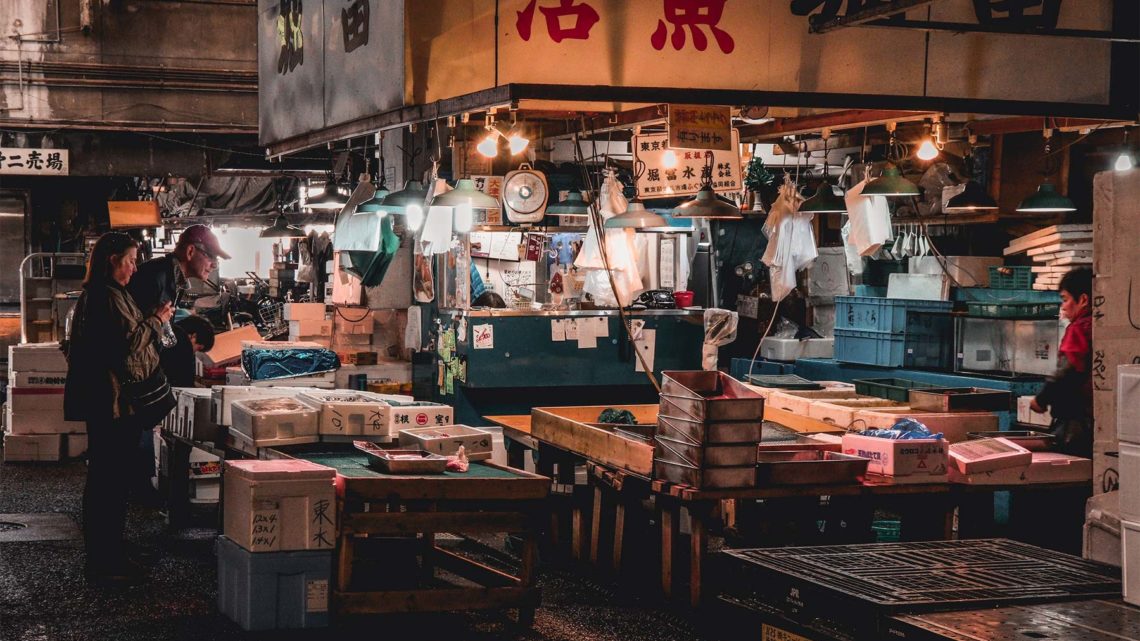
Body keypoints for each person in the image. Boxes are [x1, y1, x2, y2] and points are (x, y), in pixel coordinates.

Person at [63, 232, 174, 585]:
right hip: (109, 404)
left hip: (111, 402)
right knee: (107, 483)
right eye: (130, 259)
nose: (134, 267)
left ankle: (111, 550)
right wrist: (156, 319)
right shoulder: (104, 297)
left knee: (111, 481)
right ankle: (104, 560)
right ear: (112, 260)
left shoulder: (109, 294)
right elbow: (130, 345)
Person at [127, 225, 228, 505]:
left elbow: (163, 327)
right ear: (191, 251)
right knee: (133, 436)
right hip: (135, 374)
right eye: (210, 256)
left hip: (143, 369)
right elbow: (145, 330)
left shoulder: (171, 277)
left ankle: (137, 491)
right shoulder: (158, 276)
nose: (213, 264)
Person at [1031, 267, 1093, 458]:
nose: (1063, 307)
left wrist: (1040, 399)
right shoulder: (1101, 327)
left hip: (1075, 424)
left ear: (1083, 300)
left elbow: (1069, 369)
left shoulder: (1079, 329)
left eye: (1065, 299)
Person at [159, 315, 216, 387]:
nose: (194, 352)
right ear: (193, 337)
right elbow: (185, 382)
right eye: (198, 348)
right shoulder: (182, 346)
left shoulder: (167, 331)